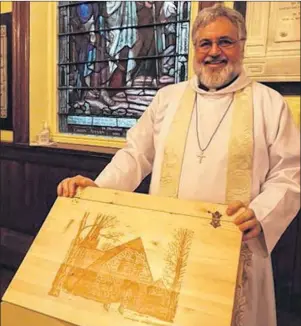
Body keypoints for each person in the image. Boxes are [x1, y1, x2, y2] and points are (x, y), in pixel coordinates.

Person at [57, 4, 300, 326]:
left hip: (236, 243)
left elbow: (289, 173)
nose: (214, 52)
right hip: (168, 241)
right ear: (195, 48)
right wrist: (98, 188)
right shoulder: (167, 99)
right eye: (205, 43)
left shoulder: (269, 103)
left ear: (242, 44)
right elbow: (136, 154)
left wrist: (262, 214)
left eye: (225, 42)